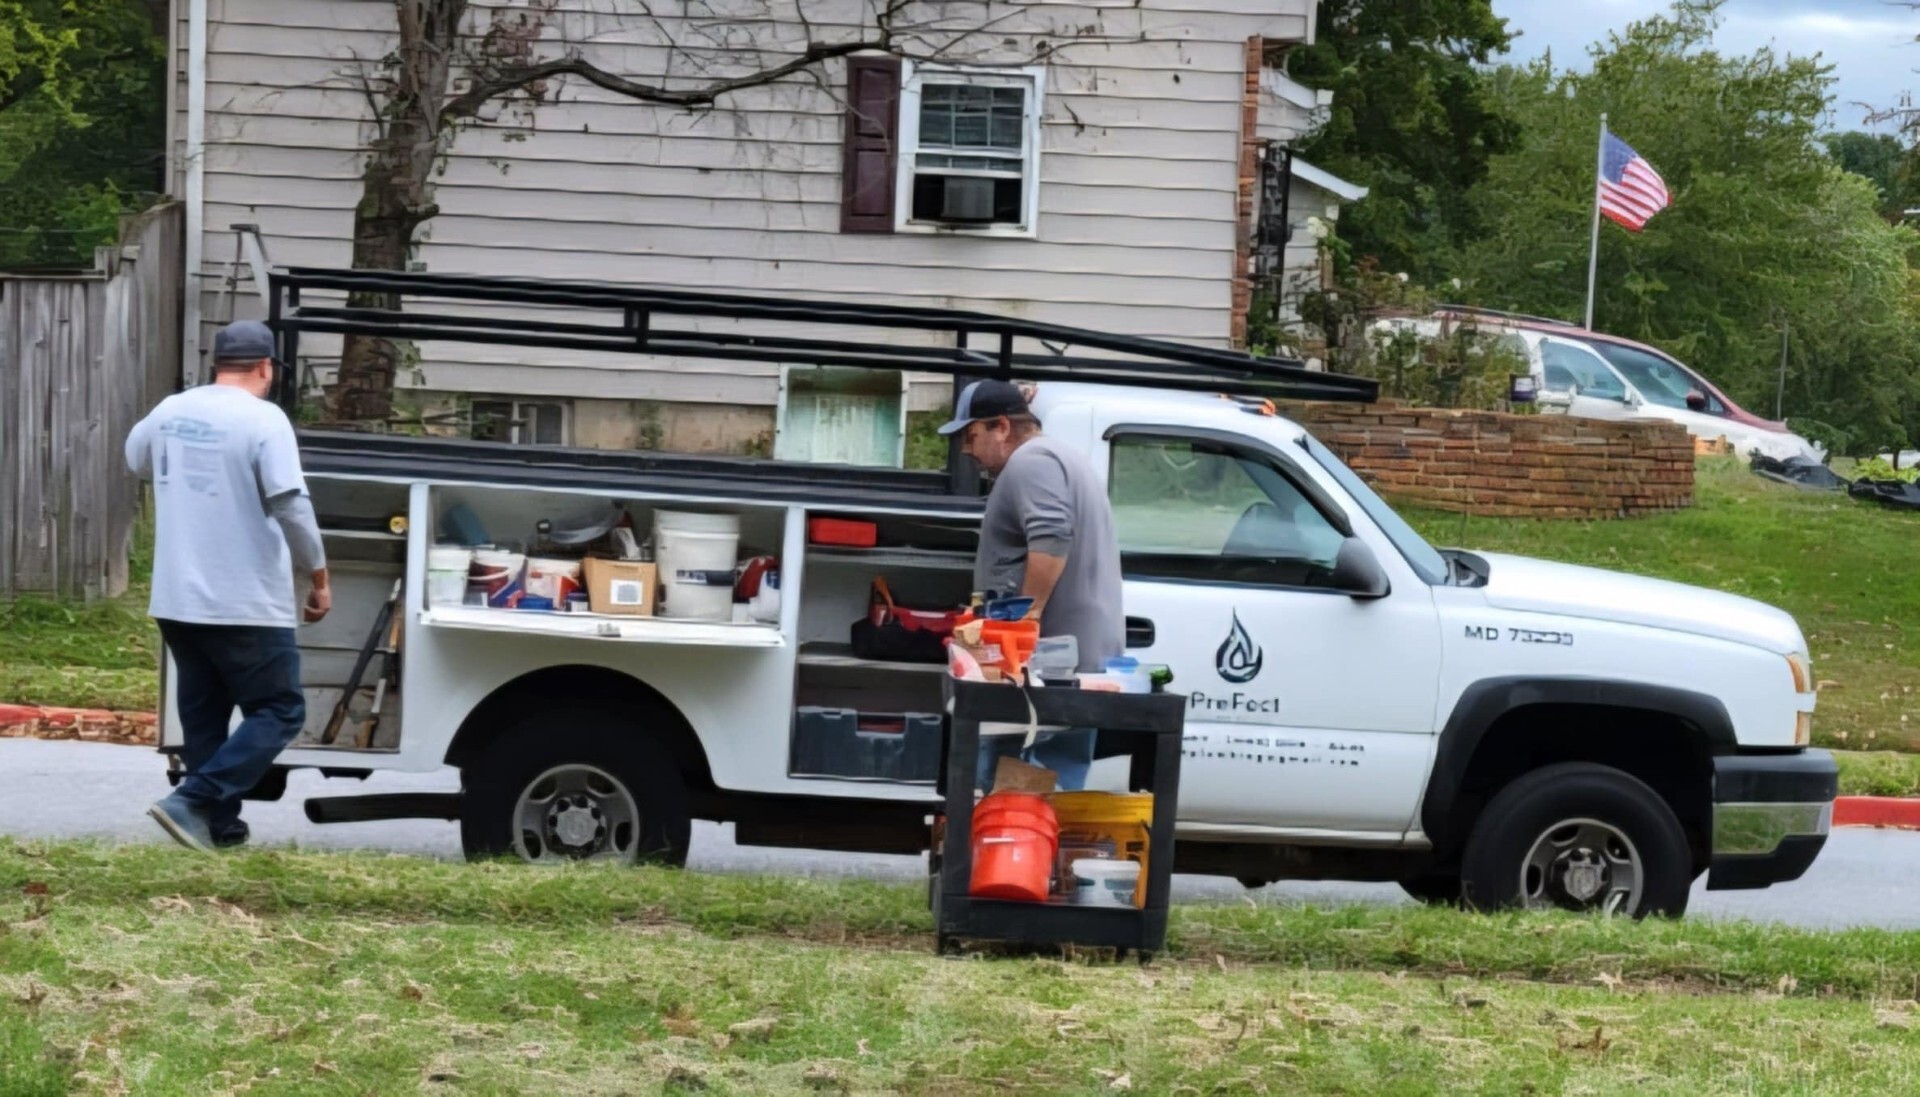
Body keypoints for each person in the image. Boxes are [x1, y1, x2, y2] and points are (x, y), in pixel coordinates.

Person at [126, 320, 331, 852]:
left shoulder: (171, 410)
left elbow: (136, 460)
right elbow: (290, 503)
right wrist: (319, 575)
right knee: (280, 709)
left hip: (177, 597)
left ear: (217, 365)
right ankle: (193, 801)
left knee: (205, 714)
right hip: (243, 600)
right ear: (265, 368)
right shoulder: (264, 419)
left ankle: (221, 829)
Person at [939, 379, 1123, 791]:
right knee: (1052, 789)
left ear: (1001, 426)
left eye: (971, 436)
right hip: (1071, 661)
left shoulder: (1031, 462)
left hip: (1043, 667)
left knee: (1005, 791)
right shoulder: (1063, 458)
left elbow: (1052, 535)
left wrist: (1025, 620)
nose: (967, 451)